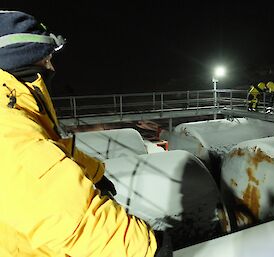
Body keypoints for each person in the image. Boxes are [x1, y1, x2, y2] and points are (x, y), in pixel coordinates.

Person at [0, 10, 172, 256]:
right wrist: (145, 249)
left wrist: (95, 173)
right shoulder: (8, 127)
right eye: (46, 58)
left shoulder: (16, 106)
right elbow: (71, 219)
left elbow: (53, 151)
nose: (51, 66)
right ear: (20, 59)